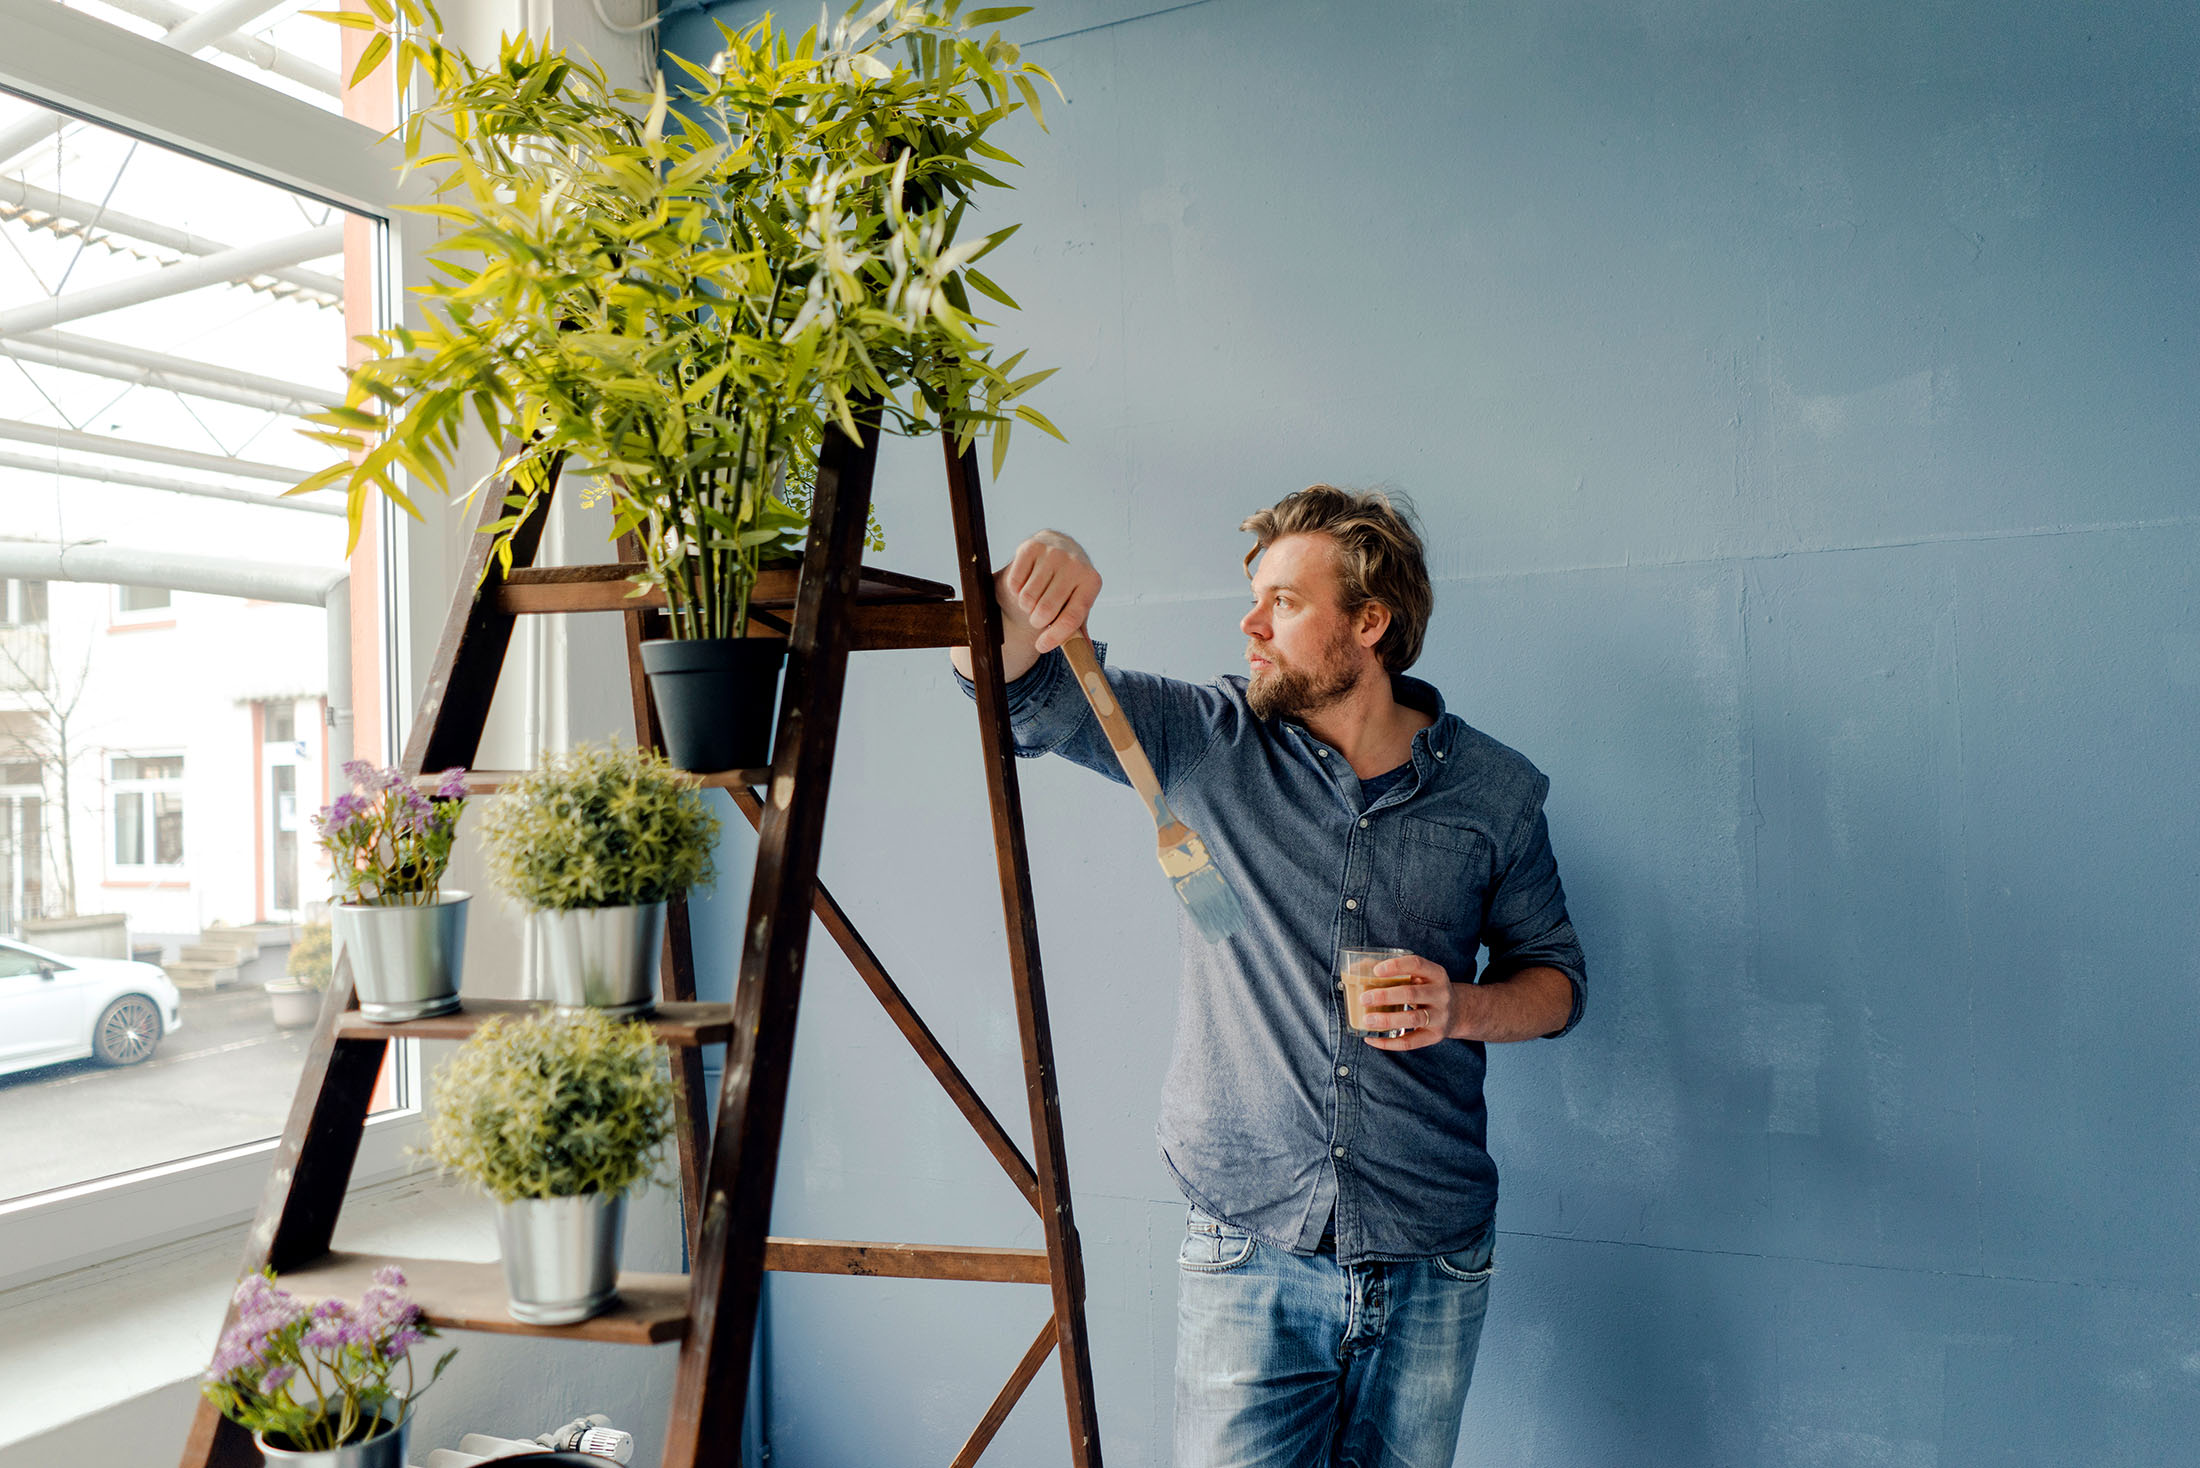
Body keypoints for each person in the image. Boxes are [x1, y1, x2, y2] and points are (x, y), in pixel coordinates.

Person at [950, 485, 1588, 1468]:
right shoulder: (1206, 740)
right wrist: (1023, 584)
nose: (1249, 624)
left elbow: (1555, 984)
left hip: (1433, 1256)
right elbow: (1011, 690)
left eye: (1283, 602)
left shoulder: (1495, 793)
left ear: (1369, 622)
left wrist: (1458, 1005)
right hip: (1246, 1251)